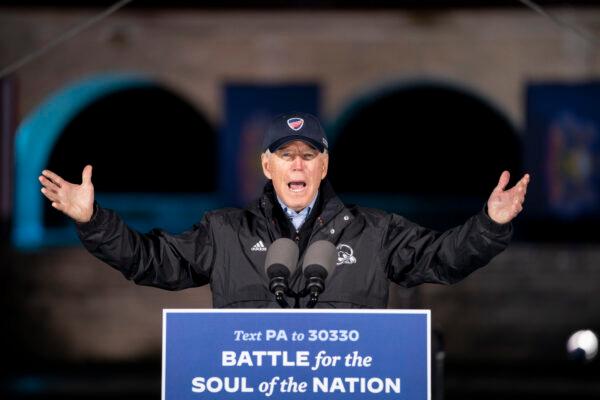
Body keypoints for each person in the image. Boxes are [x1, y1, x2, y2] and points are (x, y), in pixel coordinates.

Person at [38, 112, 529, 308]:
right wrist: (93, 220)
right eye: (286, 154)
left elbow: (441, 258)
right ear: (267, 165)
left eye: (309, 154)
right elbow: (152, 261)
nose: (298, 162)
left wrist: (490, 226)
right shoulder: (224, 231)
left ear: (324, 164)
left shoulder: (374, 231)